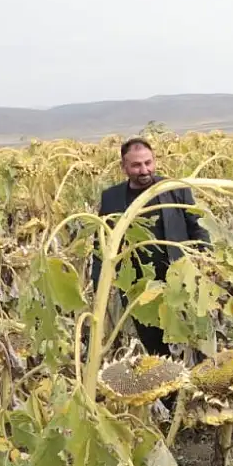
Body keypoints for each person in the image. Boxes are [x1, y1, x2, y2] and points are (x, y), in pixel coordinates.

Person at [91, 136, 211, 357]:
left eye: (148, 162)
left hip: (181, 280)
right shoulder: (112, 198)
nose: (144, 170)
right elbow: (102, 244)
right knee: (155, 348)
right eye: (136, 165)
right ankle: (168, 391)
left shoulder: (175, 189)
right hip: (139, 288)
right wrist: (100, 283)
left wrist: (207, 261)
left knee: (194, 340)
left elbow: (197, 227)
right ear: (124, 167)